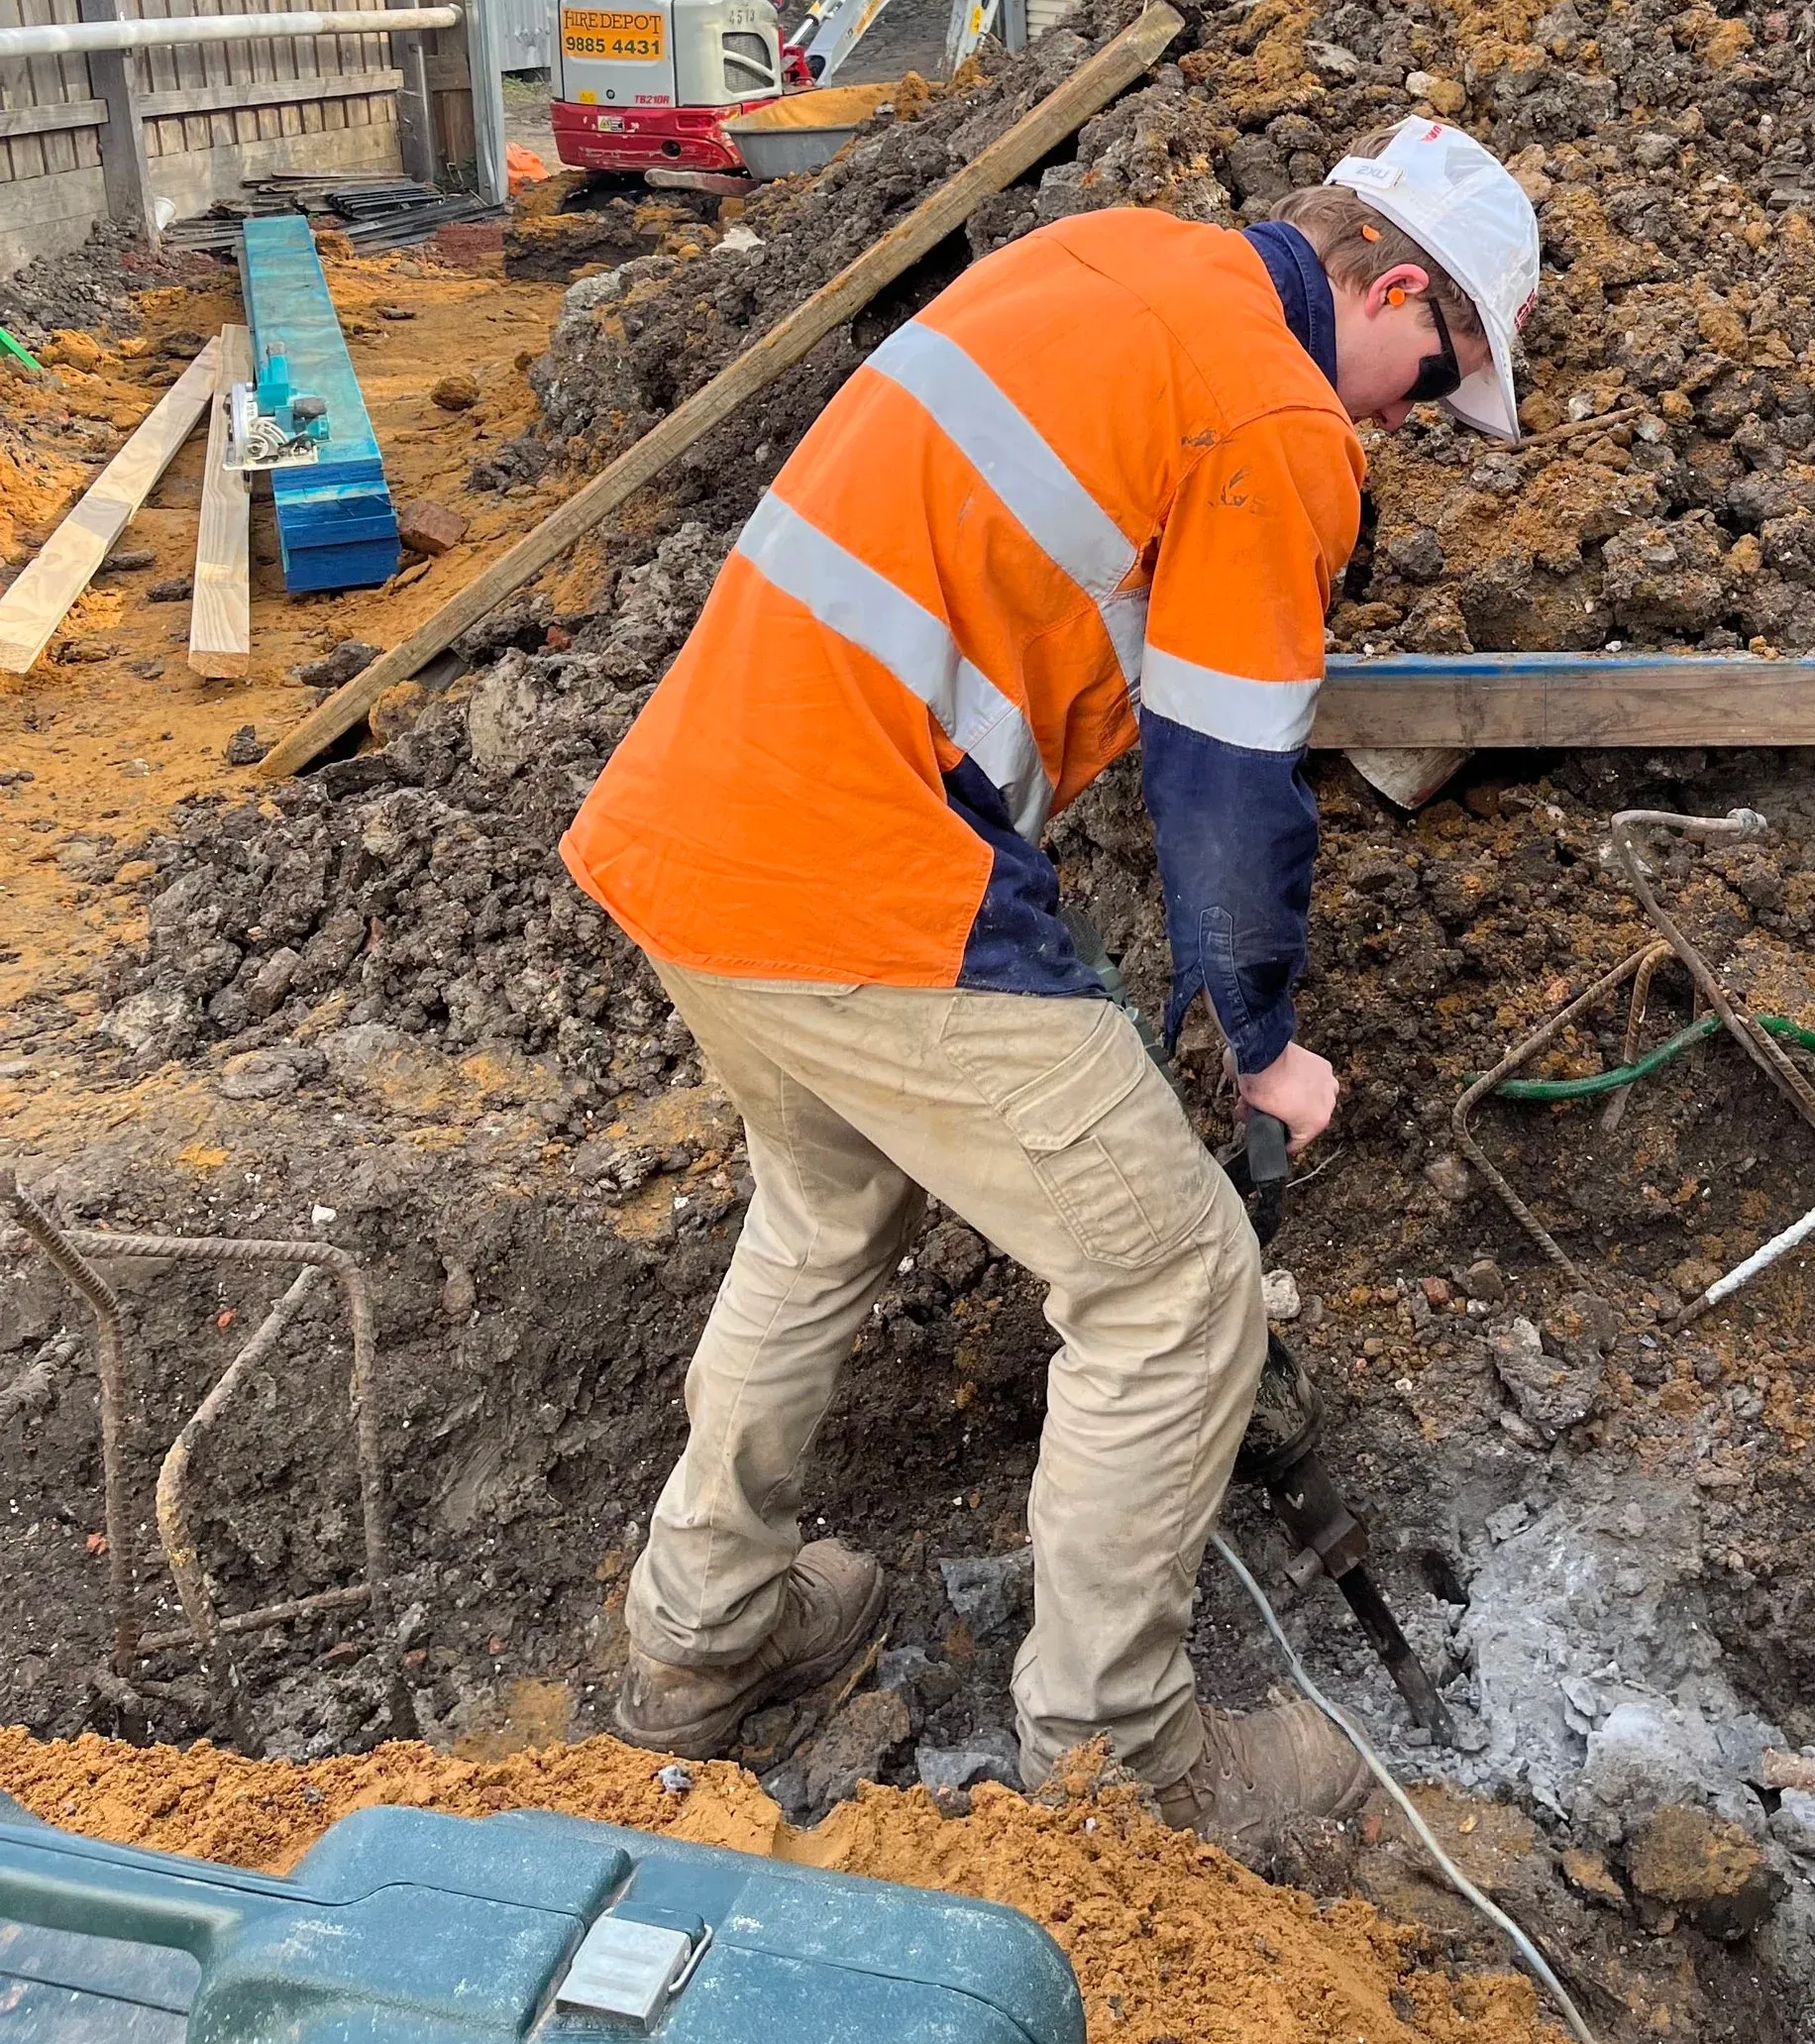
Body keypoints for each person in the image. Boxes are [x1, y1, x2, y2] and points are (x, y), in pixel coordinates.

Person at [561, 116, 1539, 1860]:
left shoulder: (1114, 260)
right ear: (1395, 287)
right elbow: (1228, 778)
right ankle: (1120, 1767)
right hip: (858, 869)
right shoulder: (1277, 410)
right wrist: (1263, 1044)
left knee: (825, 1210)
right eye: (1431, 373)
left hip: (699, 829)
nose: (1403, 421)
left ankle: (698, 1644)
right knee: (1173, 1285)